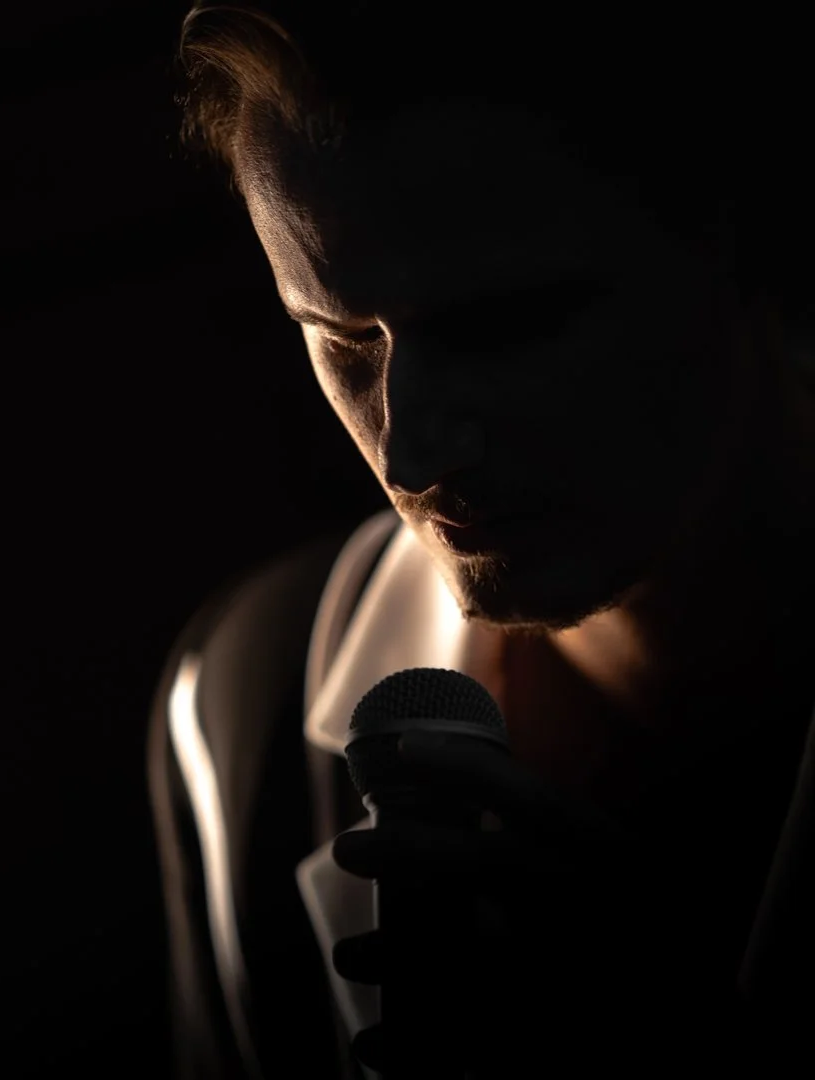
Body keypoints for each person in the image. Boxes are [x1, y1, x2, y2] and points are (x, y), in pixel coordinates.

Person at [147, 4, 815, 1077]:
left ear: (751, 237)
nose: (411, 454)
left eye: (505, 326)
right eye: (342, 340)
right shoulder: (240, 706)